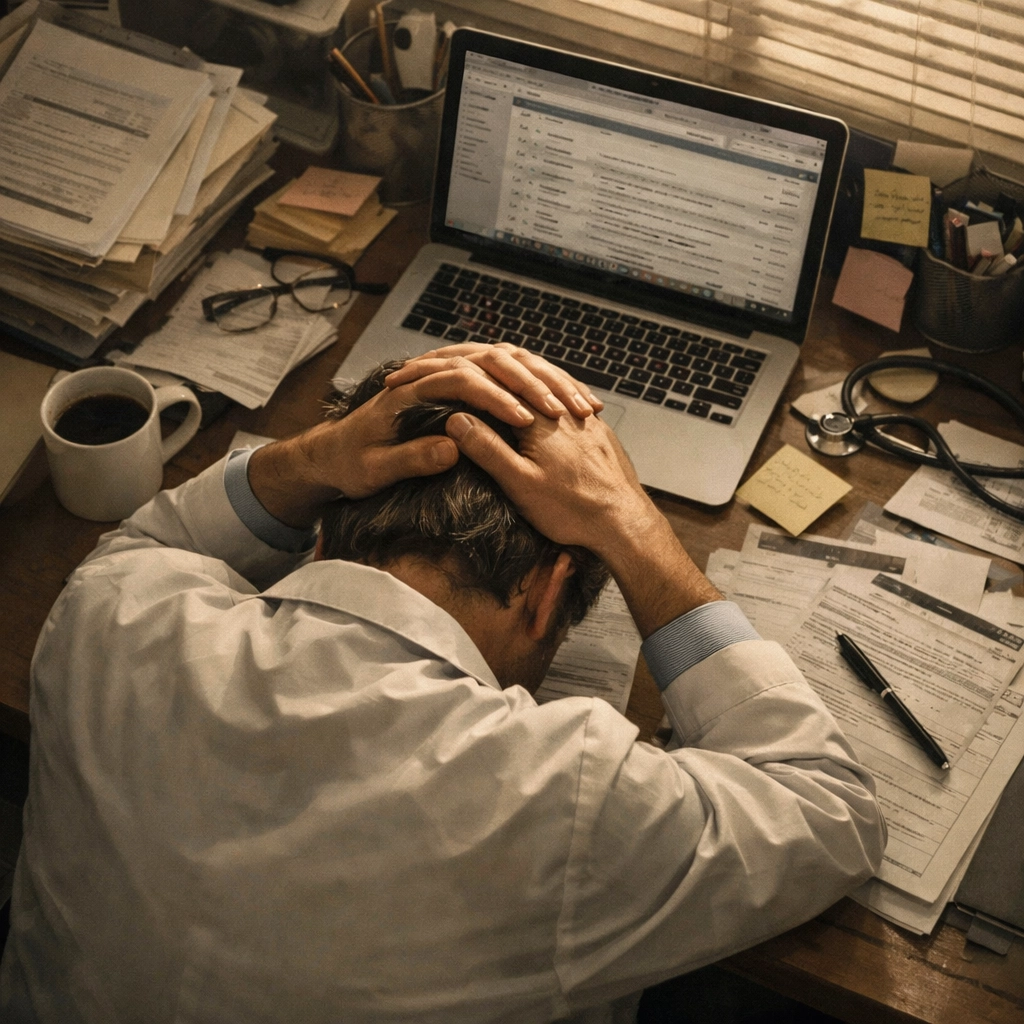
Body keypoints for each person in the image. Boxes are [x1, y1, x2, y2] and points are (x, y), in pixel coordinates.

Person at [0, 344, 885, 1024]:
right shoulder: (562, 793)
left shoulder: (117, 617)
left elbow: (149, 544)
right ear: (545, 596)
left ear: (323, 537)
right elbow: (829, 808)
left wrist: (308, 458)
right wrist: (632, 526)